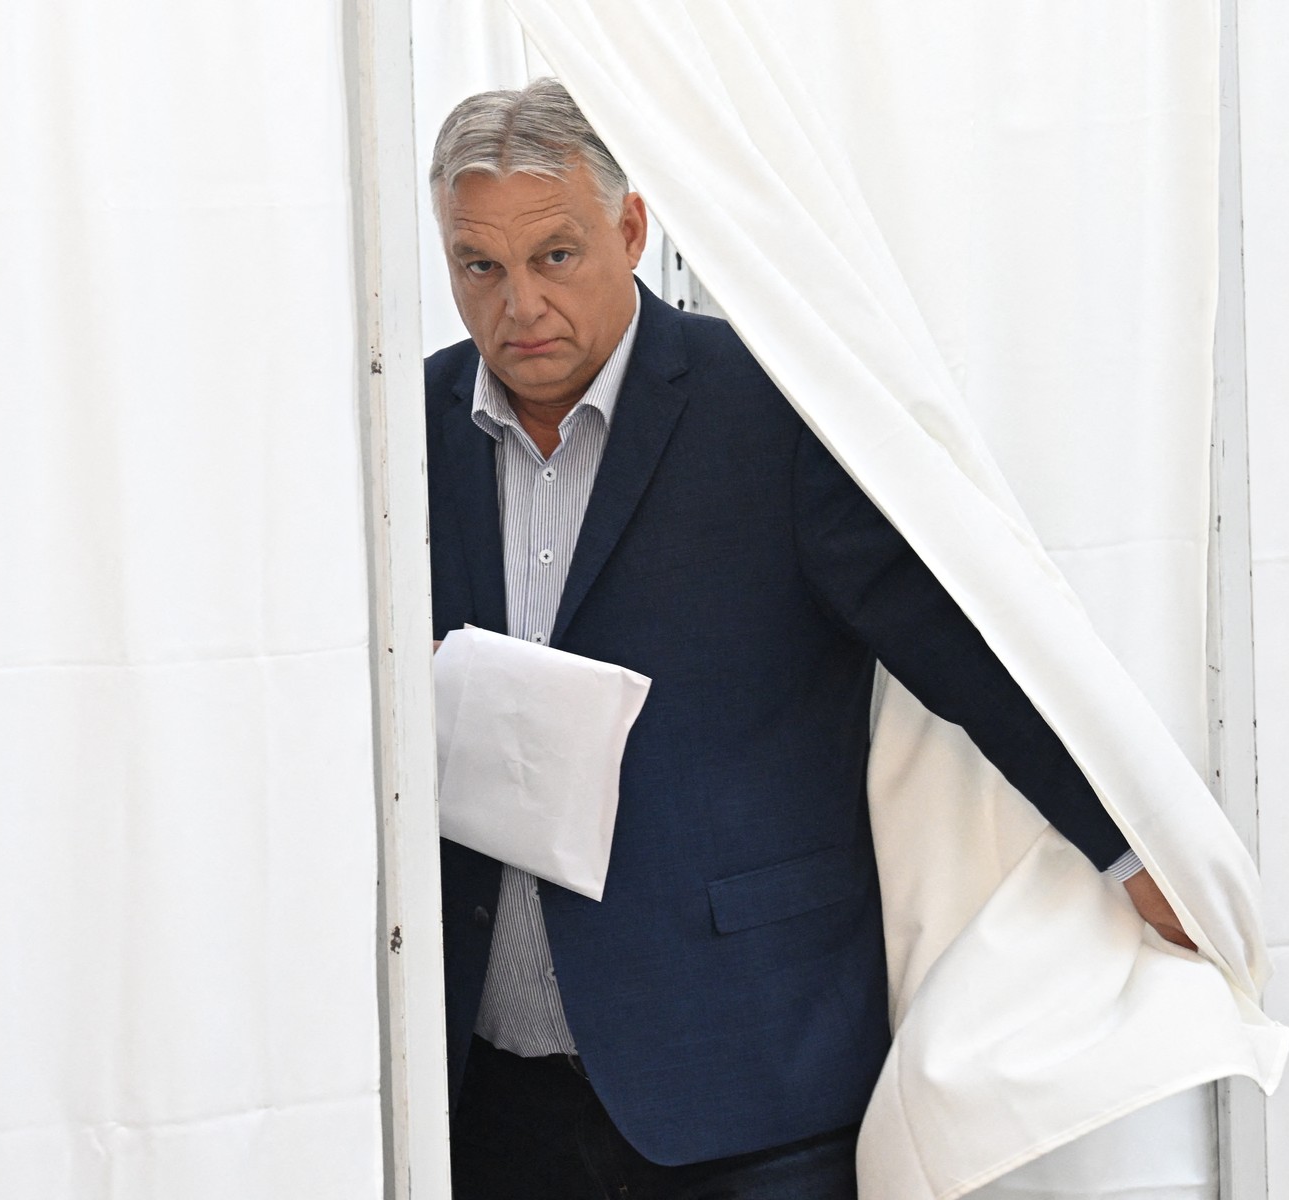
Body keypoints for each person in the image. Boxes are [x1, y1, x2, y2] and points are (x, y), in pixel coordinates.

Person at [425, 79, 1191, 1199]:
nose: (518, 306)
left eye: (555, 255)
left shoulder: (772, 407)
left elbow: (960, 644)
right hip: (494, 1090)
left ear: (631, 230)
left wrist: (1130, 846)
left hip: (751, 1073)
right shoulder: (410, 427)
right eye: (478, 266)